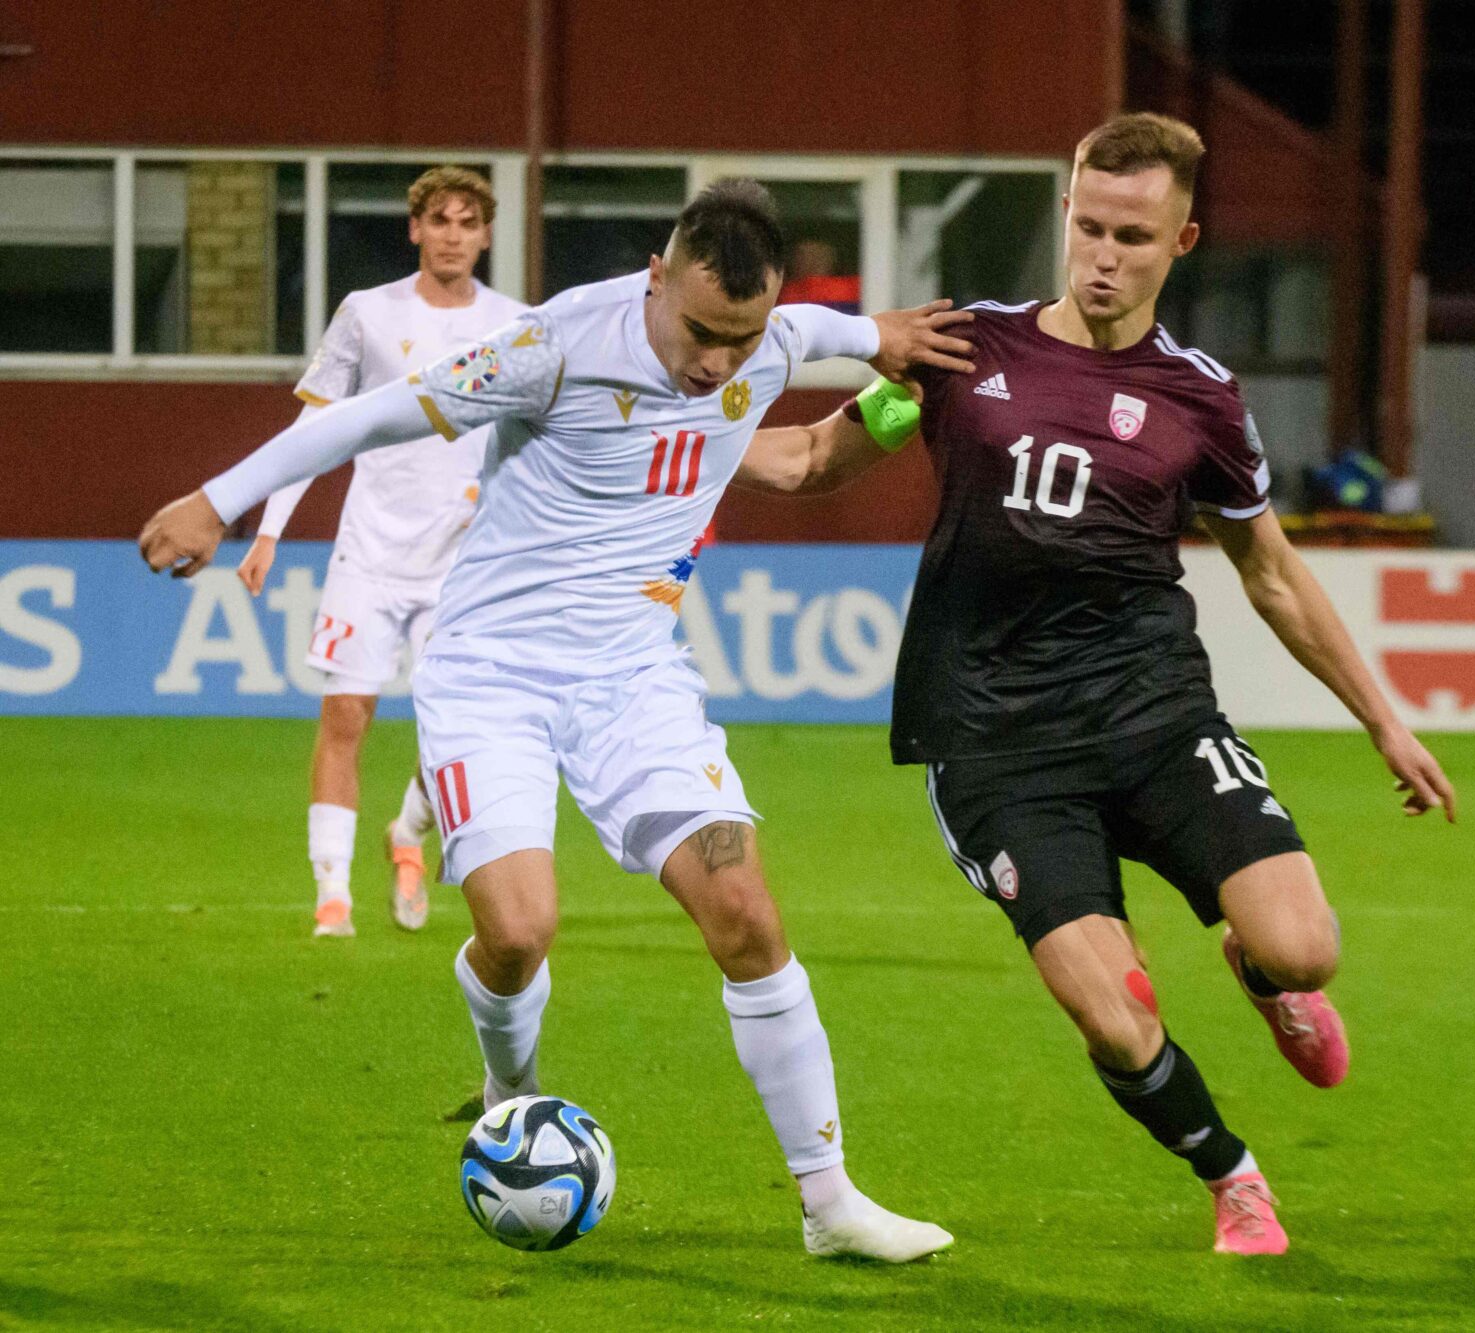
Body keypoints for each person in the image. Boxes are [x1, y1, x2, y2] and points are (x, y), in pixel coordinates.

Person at [139, 178, 976, 1262]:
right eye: (702, 332)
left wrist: (898, 383)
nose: (720, 362)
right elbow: (365, 415)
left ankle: (830, 1202)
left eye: (744, 336)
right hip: (491, 674)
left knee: (745, 911)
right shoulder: (555, 345)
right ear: (656, 277)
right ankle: (512, 1090)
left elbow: (822, 423)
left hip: (634, 677)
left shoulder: (776, 336)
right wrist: (219, 498)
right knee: (520, 930)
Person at [735, 114, 1458, 1257]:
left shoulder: (1200, 399)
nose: (1102, 256)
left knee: (1305, 946)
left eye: (1132, 236)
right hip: (994, 741)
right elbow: (814, 457)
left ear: (1181, 242)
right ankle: (1230, 1175)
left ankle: (1264, 971)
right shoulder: (961, 352)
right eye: (1088, 227)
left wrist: (1382, 722)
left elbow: (1269, 572)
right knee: (1114, 1017)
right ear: (1066, 214)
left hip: (1151, 714)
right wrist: (659, 433)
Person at [237, 165, 526, 939]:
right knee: (345, 715)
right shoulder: (367, 314)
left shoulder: (515, 325)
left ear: (485, 235)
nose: (453, 236)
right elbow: (315, 428)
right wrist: (269, 529)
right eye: (440, 220)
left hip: (464, 564)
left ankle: (407, 830)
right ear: (415, 229)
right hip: (368, 552)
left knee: (459, 733)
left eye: (467, 222)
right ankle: (333, 891)